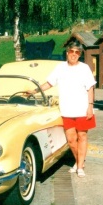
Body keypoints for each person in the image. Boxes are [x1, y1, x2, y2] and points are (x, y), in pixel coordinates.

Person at [28, 41, 96, 178]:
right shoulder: (60, 68)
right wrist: (34, 91)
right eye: (72, 52)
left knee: (82, 136)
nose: (74, 55)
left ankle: (80, 165)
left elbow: (90, 88)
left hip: (83, 109)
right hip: (67, 110)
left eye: (77, 52)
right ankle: (78, 161)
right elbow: (49, 83)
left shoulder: (84, 68)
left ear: (80, 54)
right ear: (67, 52)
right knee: (71, 140)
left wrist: (90, 106)